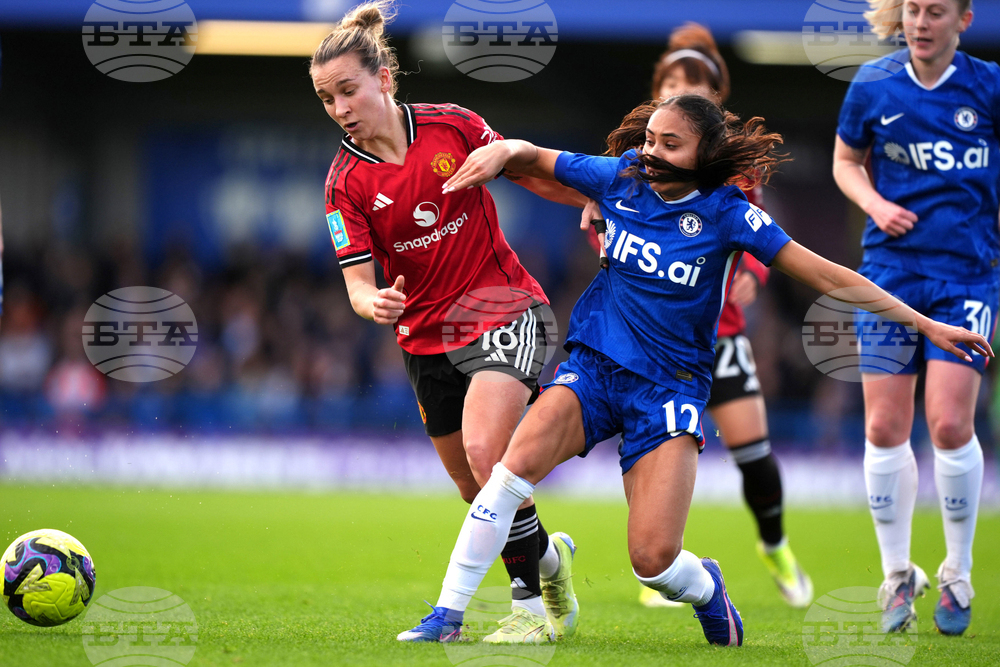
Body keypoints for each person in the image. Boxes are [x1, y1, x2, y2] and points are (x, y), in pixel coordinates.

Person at [396, 94, 991, 647]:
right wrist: (505, 150)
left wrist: (926, 326)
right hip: (594, 368)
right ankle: (447, 615)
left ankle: (706, 585)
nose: (652, 152)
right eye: (650, 139)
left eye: (670, 144)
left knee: (652, 561)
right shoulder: (621, 176)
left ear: (704, 155)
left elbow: (833, 277)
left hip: (669, 390)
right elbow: (537, 158)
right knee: (508, 471)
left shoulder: (729, 215)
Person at [311, 1, 585, 643]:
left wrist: (594, 201)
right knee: (476, 488)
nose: (340, 107)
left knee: (491, 457)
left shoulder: (452, 125)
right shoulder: (343, 185)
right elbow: (356, 281)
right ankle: (550, 563)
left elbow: (529, 173)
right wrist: (370, 302)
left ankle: (517, 612)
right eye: (326, 98)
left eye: (348, 89)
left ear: (384, 78)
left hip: (505, 305)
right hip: (425, 339)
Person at [582, 23, 811, 610]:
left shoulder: (733, 171)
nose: (686, 90)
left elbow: (761, 240)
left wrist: (753, 281)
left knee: (752, 451)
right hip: (650, 344)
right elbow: (613, 225)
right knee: (651, 455)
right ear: (657, 90)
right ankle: (667, 562)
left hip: (717, 334)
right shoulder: (637, 159)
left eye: (698, 84)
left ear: (716, 97)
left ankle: (774, 543)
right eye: (674, 82)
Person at [833, 0, 998, 636]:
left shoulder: (988, 86)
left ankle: (957, 570)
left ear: (964, 19)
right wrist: (875, 203)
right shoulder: (874, 85)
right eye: (913, 11)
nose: (921, 23)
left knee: (952, 423)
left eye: (935, 12)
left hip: (967, 276)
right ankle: (897, 573)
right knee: (883, 422)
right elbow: (846, 163)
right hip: (891, 273)